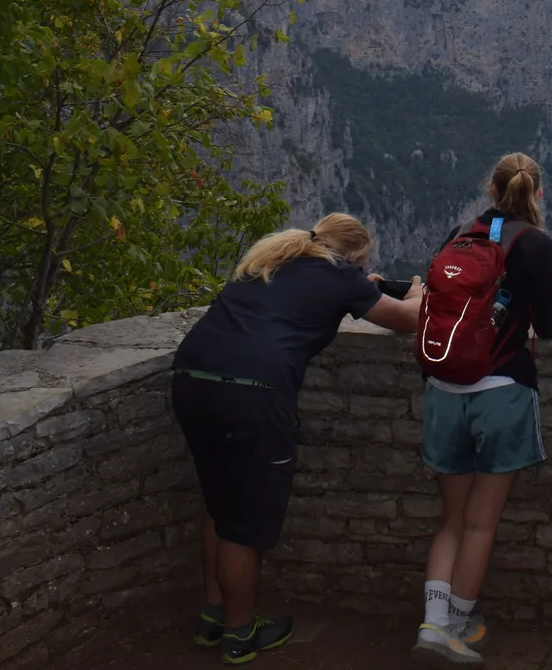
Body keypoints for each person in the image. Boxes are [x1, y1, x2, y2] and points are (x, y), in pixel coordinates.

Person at [171, 213, 423, 666]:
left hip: (192, 379)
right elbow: (406, 319)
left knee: (219, 502)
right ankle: (240, 634)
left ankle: (213, 617)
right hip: (252, 394)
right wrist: (419, 290)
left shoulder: (270, 261)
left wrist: (363, 285)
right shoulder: (342, 276)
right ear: (354, 255)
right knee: (243, 526)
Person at [413, 153, 552, 664]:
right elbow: (549, 325)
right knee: (482, 523)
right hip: (501, 389)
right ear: (538, 194)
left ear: (492, 189)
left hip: (444, 388)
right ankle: (455, 631)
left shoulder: (461, 232)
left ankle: (432, 626)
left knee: (452, 520)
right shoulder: (536, 244)